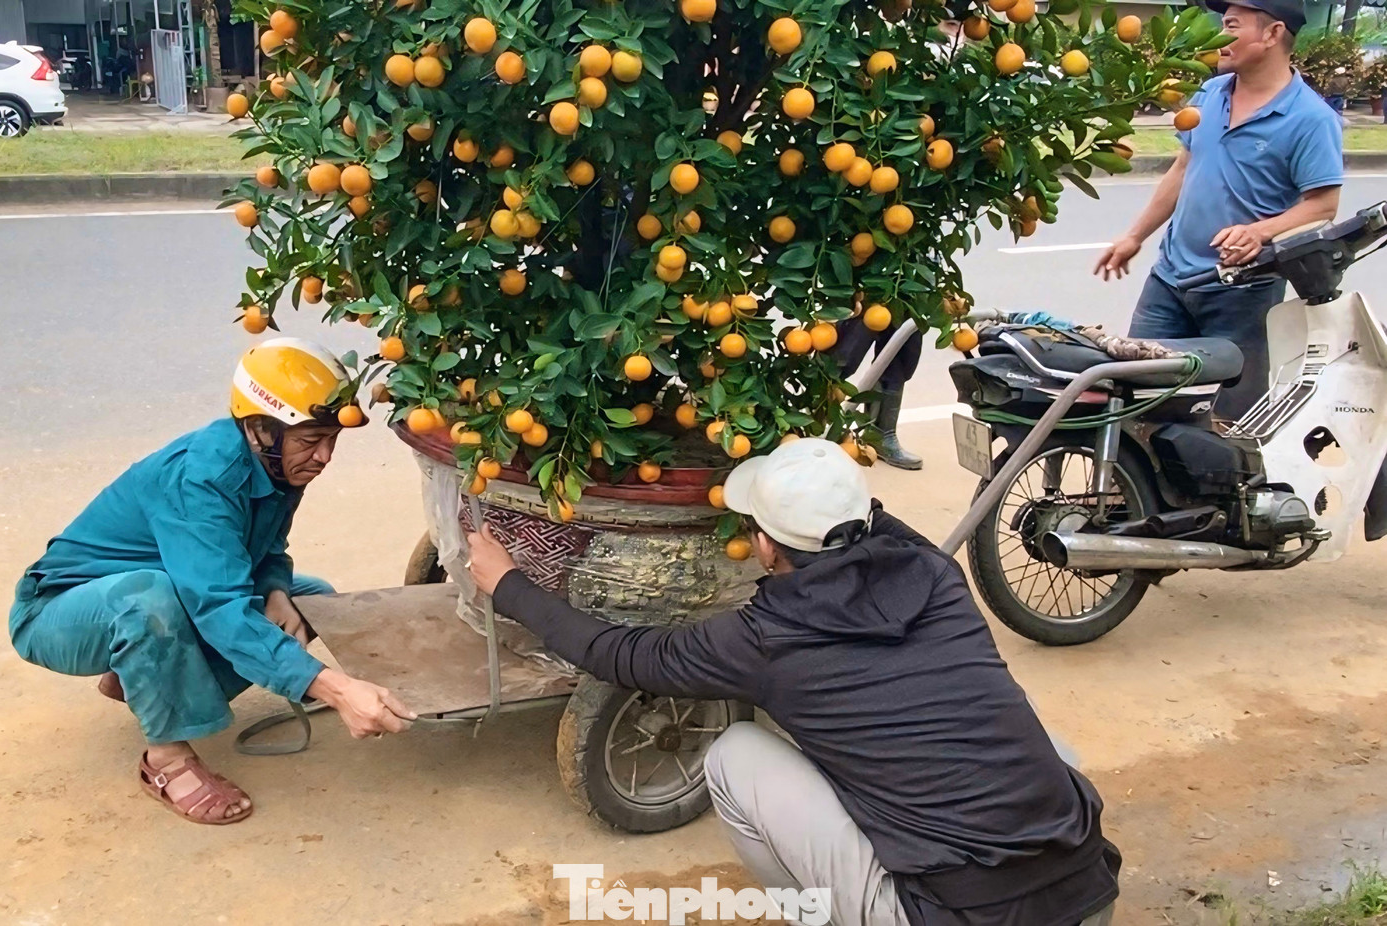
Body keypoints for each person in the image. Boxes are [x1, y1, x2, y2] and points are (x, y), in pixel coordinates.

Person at [466, 438, 1119, 926]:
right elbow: (879, 526)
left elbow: (622, 654)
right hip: (1088, 894)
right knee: (1043, 748)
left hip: (952, 915)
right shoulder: (938, 579)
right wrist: (821, 482)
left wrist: (508, 586)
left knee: (735, 757)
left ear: (769, 549)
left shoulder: (761, 641)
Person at [7, 338, 415, 825]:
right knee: (150, 603)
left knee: (313, 600)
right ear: (262, 429)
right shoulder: (201, 478)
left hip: (161, 588)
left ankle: (145, 681)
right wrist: (337, 689)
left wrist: (278, 590)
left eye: (332, 439)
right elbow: (219, 606)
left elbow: (265, 551)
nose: (324, 456)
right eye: (311, 440)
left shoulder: (278, 468)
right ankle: (166, 760)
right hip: (58, 613)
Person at [1094, 0, 1342, 419]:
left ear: (1272, 33)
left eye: (1230, 25)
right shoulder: (1209, 93)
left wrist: (1260, 232)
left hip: (1242, 295)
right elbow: (1184, 165)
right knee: (1137, 404)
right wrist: (1135, 235)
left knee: (1229, 422)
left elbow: (1323, 205)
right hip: (1169, 281)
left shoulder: (1310, 119)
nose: (1218, 38)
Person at [833, 315, 923, 470]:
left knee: (900, 354)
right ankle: (814, 427)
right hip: (867, 295)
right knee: (841, 358)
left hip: (908, 297)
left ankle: (881, 435)